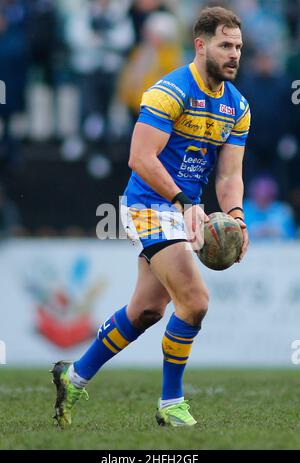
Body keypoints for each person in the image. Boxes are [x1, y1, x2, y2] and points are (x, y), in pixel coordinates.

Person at [51, 6, 250, 428]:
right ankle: (171, 403)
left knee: (147, 310)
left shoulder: (238, 106)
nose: (234, 54)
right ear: (200, 45)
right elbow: (140, 158)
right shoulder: (170, 90)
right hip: (148, 206)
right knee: (194, 301)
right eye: (225, 45)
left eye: (238, 47)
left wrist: (236, 215)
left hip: (183, 207)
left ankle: (73, 376)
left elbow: (230, 175)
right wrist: (184, 202)